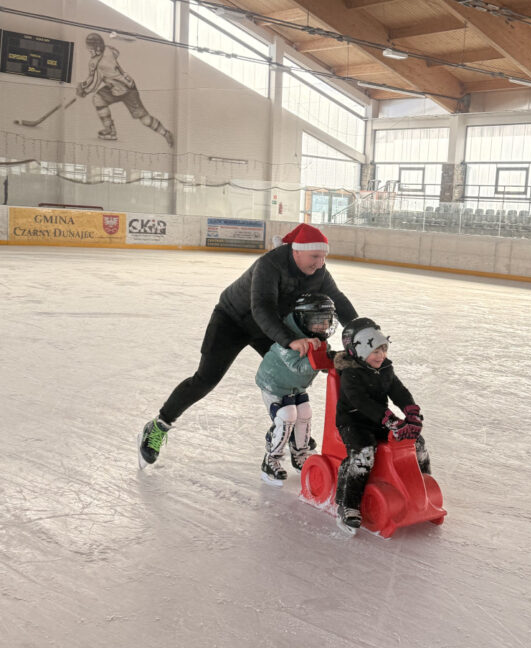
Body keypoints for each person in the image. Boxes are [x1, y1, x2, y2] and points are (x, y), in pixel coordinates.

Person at [139, 223, 357, 467]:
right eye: (315, 256)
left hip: (271, 326)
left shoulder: (318, 272)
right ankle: (158, 425)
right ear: (297, 251)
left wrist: (360, 329)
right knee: (206, 379)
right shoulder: (269, 265)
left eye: (323, 257)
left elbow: (338, 300)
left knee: (296, 370)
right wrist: (289, 339)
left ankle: (293, 433)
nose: (319, 263)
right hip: (233, 321)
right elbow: (261, 307)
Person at [333, 316, 429, 530]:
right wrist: (391, 420)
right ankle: (349, 504)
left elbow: (398, 391)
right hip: (353, 422)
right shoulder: (351, 374)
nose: (381, 356)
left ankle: (424, 486)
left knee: (416, 442)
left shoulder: (385, 368)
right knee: (365, 453)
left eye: (383, 350)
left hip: (379, 420)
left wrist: (411, 413)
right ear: (359, 352)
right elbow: (361, 402)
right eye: (375, 351)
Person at [255, 293, 336, 485]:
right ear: (302, 319)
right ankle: (271, 459)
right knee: (287, 415)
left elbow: (323, 362)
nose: (323, 325)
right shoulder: (288, 339)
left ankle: (299, 454)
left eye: (326, 320)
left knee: (304, 412)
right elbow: (298, 367)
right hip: (274, 385)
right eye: (317, 320)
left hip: (296, 387)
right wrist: (325, 361)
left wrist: (335, 361)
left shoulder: (318, 338)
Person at [77, 32, 174, 147]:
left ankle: (110, 131)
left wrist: (83, 91)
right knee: (143, 118)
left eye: (90, 48)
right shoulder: (108, 50)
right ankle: (165, 133)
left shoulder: (96, 63)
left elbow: (94, 83)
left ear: (97, 48)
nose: (89, 50)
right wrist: (85, 84)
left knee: (143, 117)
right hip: (128, 85)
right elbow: (116, 53)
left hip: (120, 90)